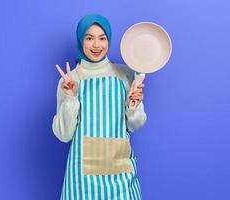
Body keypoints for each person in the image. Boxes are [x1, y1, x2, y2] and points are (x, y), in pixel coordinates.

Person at [52, 14, 147, 200]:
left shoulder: (126, 74)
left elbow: (136, 125)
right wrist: (71, 99)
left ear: (109, 40)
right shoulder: (70, 79)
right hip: (82, 179)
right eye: (89, 38)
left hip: (121, 174)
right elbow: (63, 135)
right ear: (81, 40)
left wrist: (133, 106)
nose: (96, 45)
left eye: (102, 38)